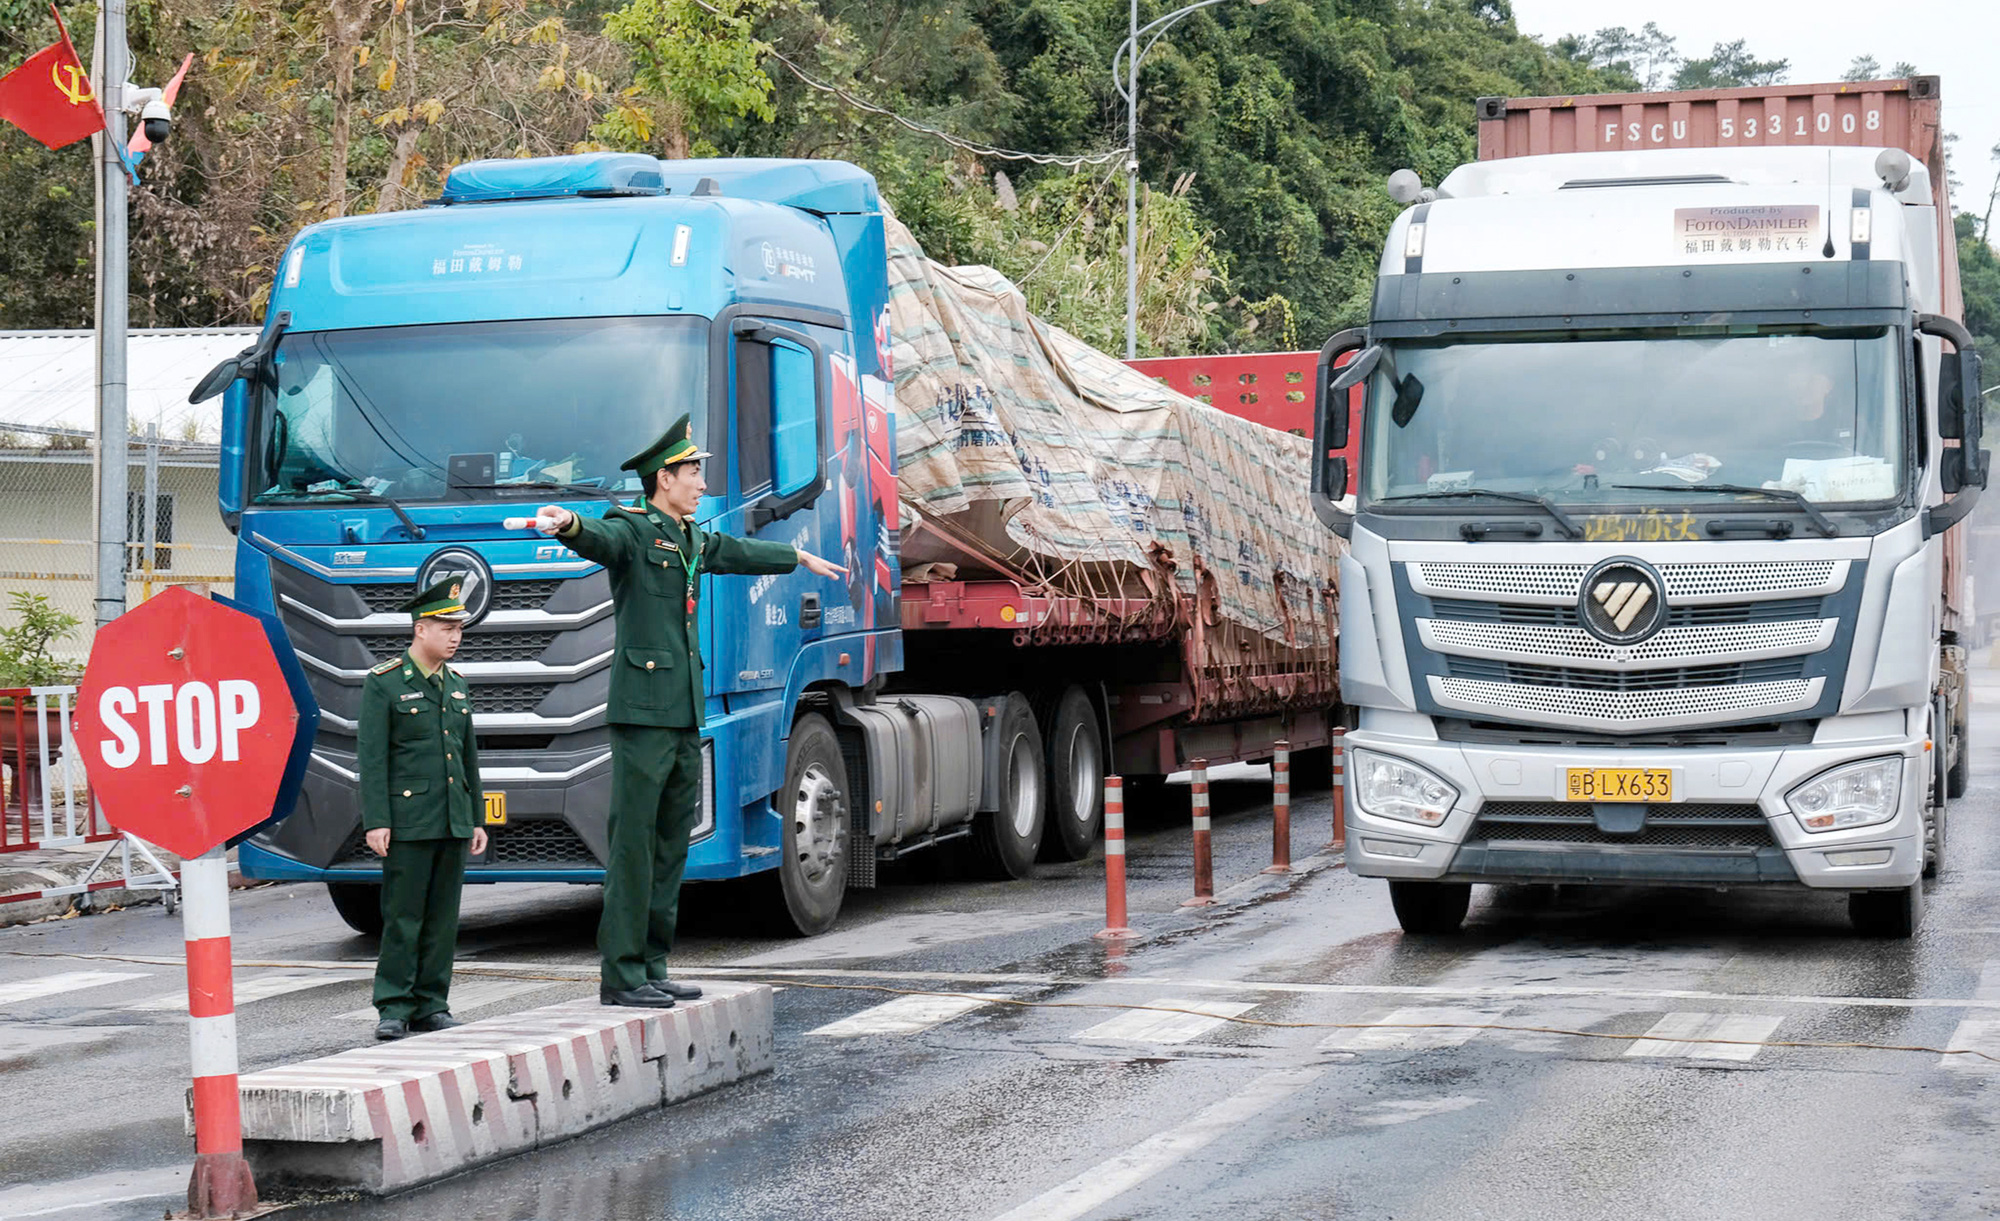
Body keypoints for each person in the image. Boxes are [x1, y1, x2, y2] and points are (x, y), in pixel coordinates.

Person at [526, 414, 848, 1008]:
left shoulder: (689, 537)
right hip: (642, 712)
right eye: (693, 473)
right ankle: (621, 974)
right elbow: (599, 538)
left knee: (672, 842)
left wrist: (798, 560)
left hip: (680, 713)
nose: (702, 483)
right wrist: (567, 523)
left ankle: (652, 962)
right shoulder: (634, 529)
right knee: (635, 843)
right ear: (663, 478)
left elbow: (734, 549)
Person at [358, 575, 487, 1040]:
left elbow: (468, 756)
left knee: (441, 916)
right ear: (420, 629)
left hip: (452, 817)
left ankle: (432, 1002)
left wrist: (475, 817)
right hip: (409, 820)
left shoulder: (456, 684)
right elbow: (373, 759)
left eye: (458, 629)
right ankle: (393, 1004)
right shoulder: (386, 683)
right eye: (445, 627)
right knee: (404, 914)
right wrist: (377, 820)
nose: (455, 637)